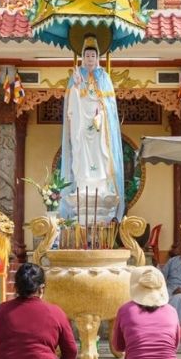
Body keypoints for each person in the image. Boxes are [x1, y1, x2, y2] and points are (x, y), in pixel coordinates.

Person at [59, 35, 124, 225]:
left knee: (101, 154)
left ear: (98, 58)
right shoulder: (76, 77)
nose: (89, 59)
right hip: (81, 122)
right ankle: (83, 183)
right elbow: (71, 106)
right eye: (86, 56)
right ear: (82, 57)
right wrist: (77, 87)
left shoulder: (104, 77)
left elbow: (110, 106)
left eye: (92, 56)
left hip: (98, 126)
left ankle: (102, 185)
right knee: (81, 153)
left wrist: (101, 116)